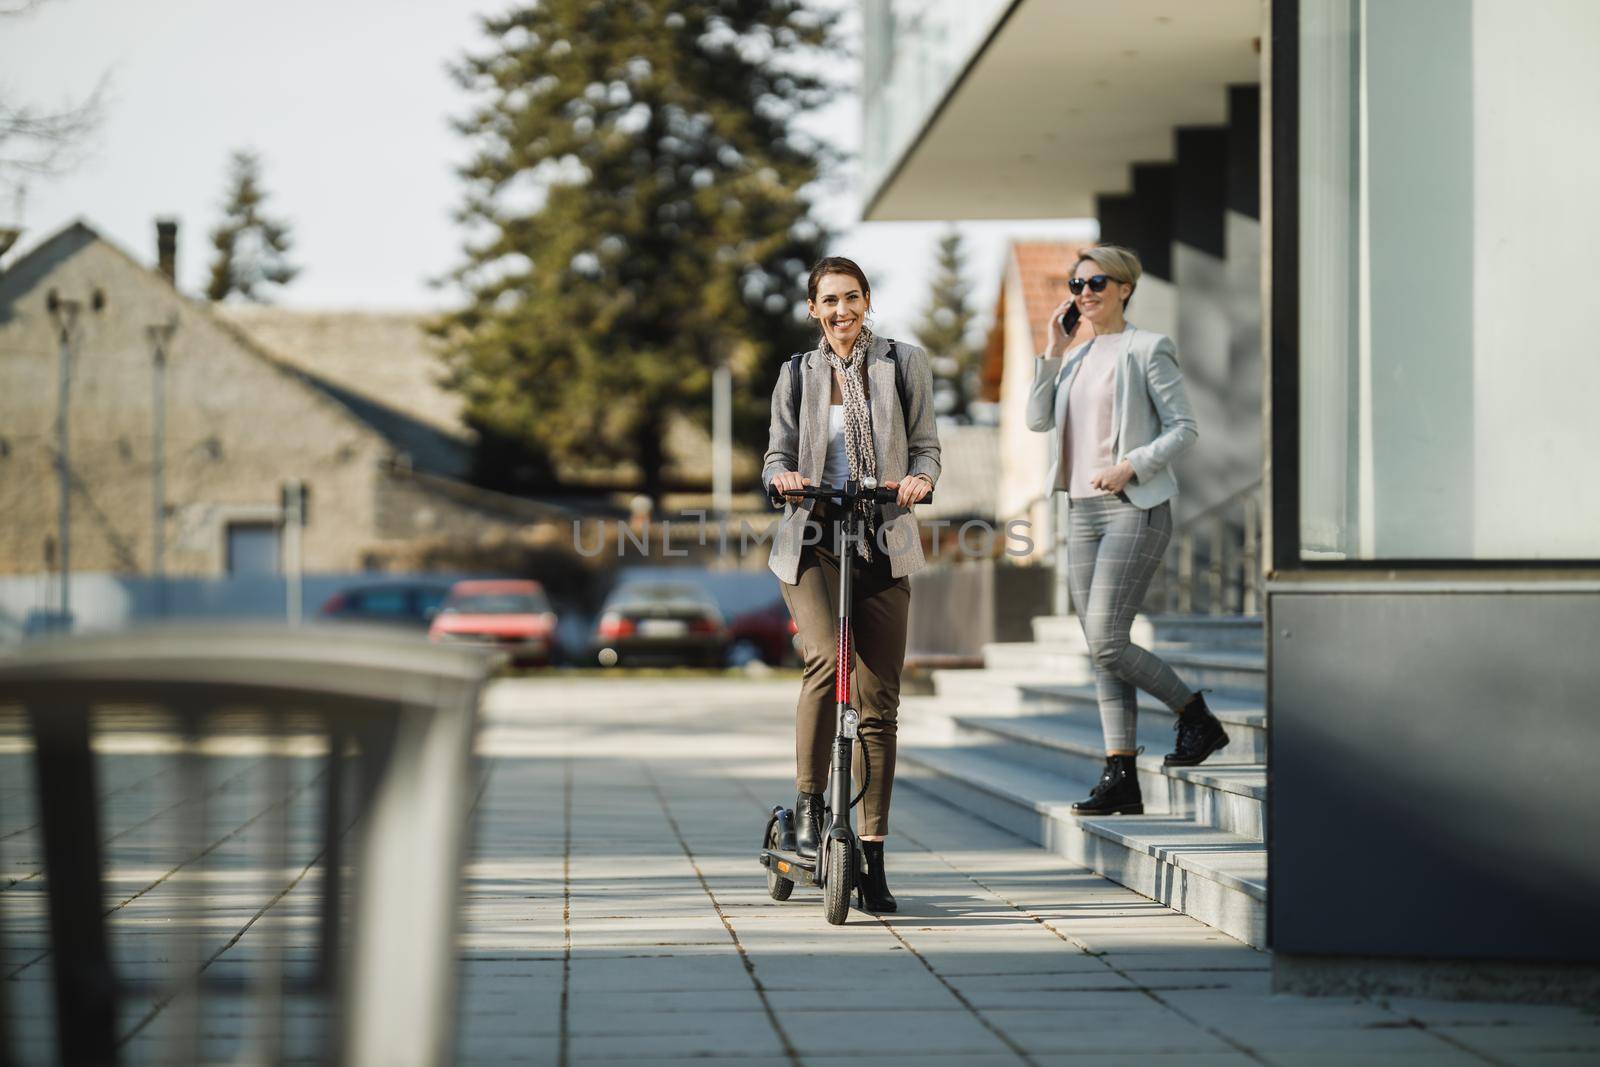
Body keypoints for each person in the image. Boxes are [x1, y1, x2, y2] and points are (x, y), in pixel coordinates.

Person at [761, 256, 940, 913]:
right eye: (829, 300)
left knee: (878, 701)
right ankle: (809, 806)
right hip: (811, 536)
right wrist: (783, 477)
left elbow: (926, 445)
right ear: (813, 308)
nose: (842, 310)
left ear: (867, 301)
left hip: (882, 535)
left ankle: (871, 849)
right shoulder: (796, 373)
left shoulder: (904, 362)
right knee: (825, 660)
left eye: (853, 297)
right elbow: (778, 451)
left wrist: (920, 479)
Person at [1026, 244, 1229, 817]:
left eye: (1096, 283)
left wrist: (1132, 464)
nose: (1083, 293)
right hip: (1081, 512)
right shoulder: (1073, 357)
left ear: (1124, 288)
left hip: (1131, 506)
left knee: (1109, 641)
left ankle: (1196, 717)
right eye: (1076, 285)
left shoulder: (1148, 349)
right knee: (1100, 651)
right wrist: (1051, 350)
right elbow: (1036, 419)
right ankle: (1121, 775)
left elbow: (1185, 427)